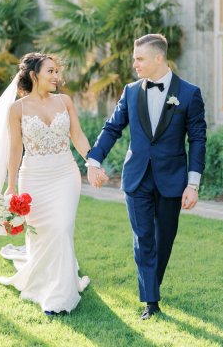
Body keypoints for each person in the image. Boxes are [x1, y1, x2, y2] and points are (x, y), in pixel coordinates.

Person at [86, 34, 207, 320]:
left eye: (139, 59)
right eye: (134, 58)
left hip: (172, 179)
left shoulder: (189, 93)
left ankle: (152, 282)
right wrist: (94, 159)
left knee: (164, 238)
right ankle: (151, 302)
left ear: (158, 58)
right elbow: (112, 128)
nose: (134, 64)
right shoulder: (130, 91)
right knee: (143, 238)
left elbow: (198, 139)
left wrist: (193, 183)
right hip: (137, 177)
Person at [0, 52, 107, 314]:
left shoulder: (65, 101)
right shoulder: (16, 109)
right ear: (34, 75)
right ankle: (42, 279)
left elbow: (77, 135)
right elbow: (15, 150)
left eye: (57, 71)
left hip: (65, 175)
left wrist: (92, 163)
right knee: (44, 234)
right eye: (51, 71)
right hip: (33, 177)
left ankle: (60, 296)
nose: (57, 76)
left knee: (61, 227)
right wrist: (11, 187)